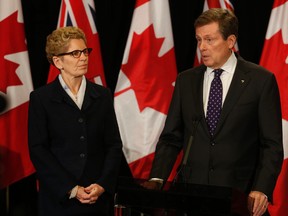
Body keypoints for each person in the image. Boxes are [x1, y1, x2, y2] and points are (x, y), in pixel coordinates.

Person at [143, 8, 283, 216]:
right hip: (191, 195)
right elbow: (171, 137)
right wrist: (157, 179)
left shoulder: (260, 80)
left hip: (239, 196)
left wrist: (261, 189)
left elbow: (271, 144)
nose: (202, 47)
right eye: (199, 40)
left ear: (230, 41)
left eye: (209, 40)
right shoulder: (186, 80)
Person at [28, 26, 123, 216]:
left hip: (96, 198)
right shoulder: (41, 98)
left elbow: (113, 145)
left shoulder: (102, 95)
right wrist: (71, 188)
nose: (84, 57)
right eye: (75, 53)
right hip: (59, 201)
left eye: (85, 51)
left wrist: (103, 184)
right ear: (58, 61)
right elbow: (38, 149)